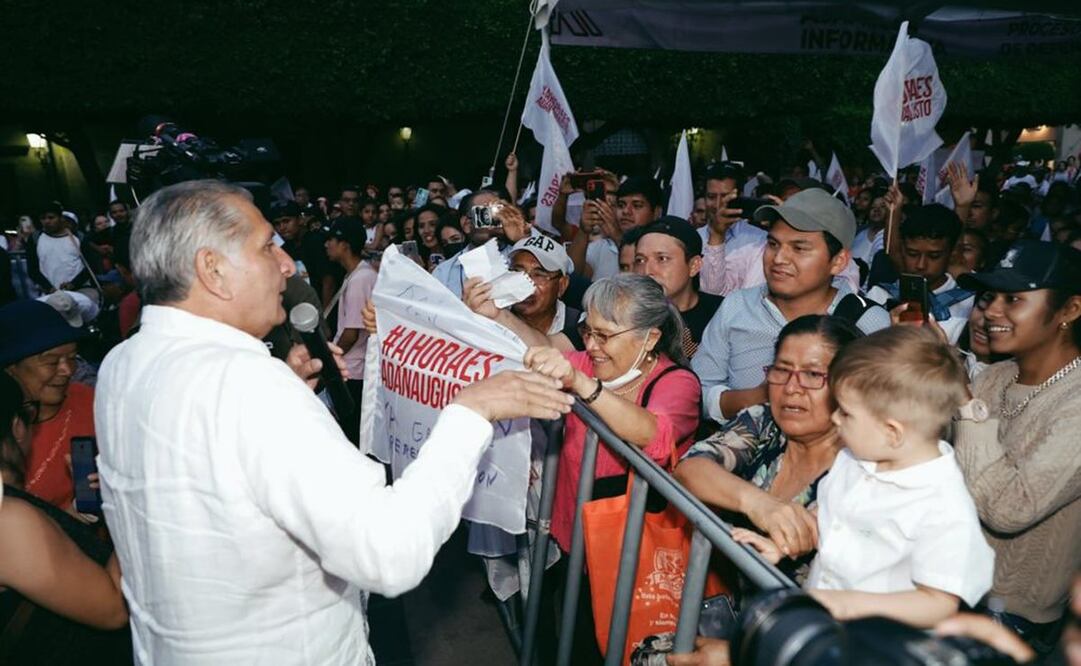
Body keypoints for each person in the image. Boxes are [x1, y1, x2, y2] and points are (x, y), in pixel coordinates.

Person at [95, 180, 575, 664]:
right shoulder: (250, 387)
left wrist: (283, 392)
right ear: (212, 269)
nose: (287, 264)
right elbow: (389, 551)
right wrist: (469, 413)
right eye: (267, 247)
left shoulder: (122, 364)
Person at [736, 326, 994, 628]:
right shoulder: (854, 460)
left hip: (875, 642)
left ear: (892, 432)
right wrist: (783, 544)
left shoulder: (944, 506)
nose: (835, 418)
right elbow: (829, 518)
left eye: (845, 413)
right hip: (824, 628)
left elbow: (939, 603)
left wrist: (846, 604)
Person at [952, 240, 1081, 654]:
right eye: (990, 297)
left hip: (1011, 617)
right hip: (949, 586)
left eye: (1013, 299)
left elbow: (1009, 508)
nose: (991, 311)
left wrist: (963, 401)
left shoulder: (1076, 400)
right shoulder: (995, 376)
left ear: (1070, 310)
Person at [676, 315, 861, 569]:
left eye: (812, 374)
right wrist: (758, 504)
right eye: (782, 370)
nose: (791, 388)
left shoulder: (860, 466)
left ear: (850, 384)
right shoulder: (764, 422)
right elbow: (690, 468)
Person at [693, 189, 890, 424]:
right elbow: (698, 392)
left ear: (838, 261)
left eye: (799, 248)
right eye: (773, 244)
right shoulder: (737, 306)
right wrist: (759, 396)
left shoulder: (868, 322)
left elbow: (884, 410)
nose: (779, 259)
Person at [0, 373, 131, 666]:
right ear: (17, 426)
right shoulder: (8, 520)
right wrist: (127, 498)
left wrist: (76, 512)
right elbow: (113, 609)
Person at [1, 300, 92, 511]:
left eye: (72, 358)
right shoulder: (4, 430)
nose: (67, 370)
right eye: (51, 362)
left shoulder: (89, 402)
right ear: (10, 368)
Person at [866, 204, 975, 344]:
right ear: (902, 249)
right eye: (912, 254)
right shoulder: (879, 295)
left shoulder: (969, 303)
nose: (921, 265)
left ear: (952, 253)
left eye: (934, 256)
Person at [463, 235, 584, 350]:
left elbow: (548, 348)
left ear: (562, 285)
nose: (526, 282)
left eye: (539, 274)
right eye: (517, 271)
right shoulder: (489, 317)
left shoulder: (582, 326)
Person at [633, 216, 722, 358]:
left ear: (694, 265)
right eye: (640, 260)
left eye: (662, 259)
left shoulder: (722, 313)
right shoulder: (626, 315)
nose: (647, 270)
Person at [324, 217, 377, 434]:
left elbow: (351, 333)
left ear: (344, 245)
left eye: (331, 240)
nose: (326, 244)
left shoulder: (360, 279)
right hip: (355, 368)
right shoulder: (357, 275)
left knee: (351, 432)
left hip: (354, 370)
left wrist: (331, 360)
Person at [698, 162, 770, 297]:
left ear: (739, 197)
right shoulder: (695, 238)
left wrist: (717, 235)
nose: (718, 205)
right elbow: (709, 296)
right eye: (711, 197)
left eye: (725, 197)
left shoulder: (759, 240)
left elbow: (750, 299)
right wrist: (716, 236)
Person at [271, 199, 336, 307]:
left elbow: (328, 280)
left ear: (300, 219)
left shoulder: (315, 241)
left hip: (319, 305)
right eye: (277, 224)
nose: (282, 227)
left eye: (286, 221)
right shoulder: (286, 248)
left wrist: (325, 312)